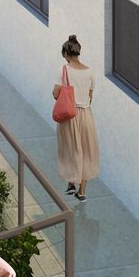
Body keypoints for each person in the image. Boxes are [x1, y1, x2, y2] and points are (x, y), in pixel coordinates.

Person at [53, 35, 99, 201]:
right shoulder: (90, 71)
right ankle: (82, 192)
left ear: (66, 53)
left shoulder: (63, 70)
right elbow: (90, 95)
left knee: (70, 149)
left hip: (69, 115)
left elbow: (55, 93)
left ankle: (71, 182)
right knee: (86, 151)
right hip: (86, 115)